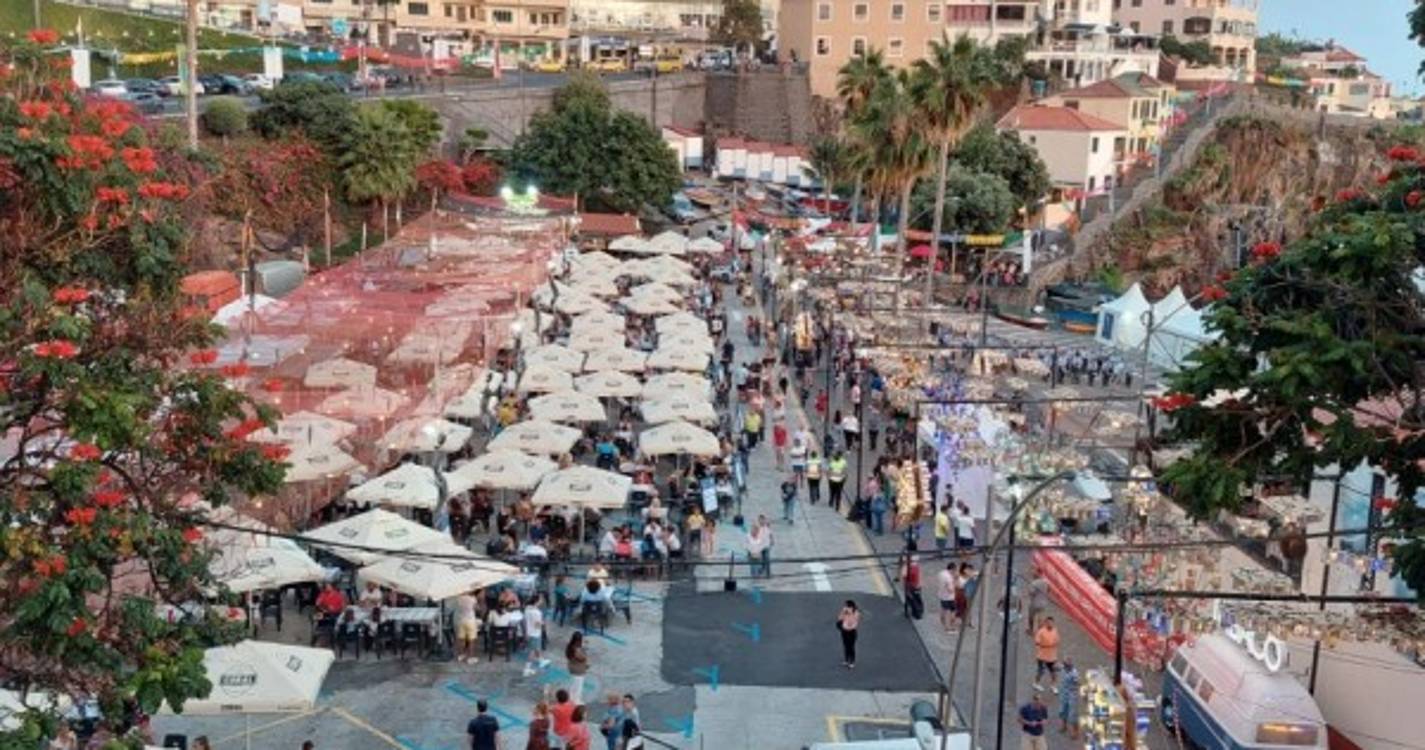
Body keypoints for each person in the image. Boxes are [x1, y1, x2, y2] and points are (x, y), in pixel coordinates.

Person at [1033, 617, 1061, 693]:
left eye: (1051, 622)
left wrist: (1054, 644)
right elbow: (1037, 642)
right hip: (1042, 656)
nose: (1050, 624)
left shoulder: (1055, 631)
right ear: (1045, 623)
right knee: (1041, 671)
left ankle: (1053, 686)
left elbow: (1057, 640)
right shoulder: (1041, 632)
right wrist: (1047, 645)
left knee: (1054, 672)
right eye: (1048, 623)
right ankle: (1036, 683)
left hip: (1052, 656)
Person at [523, 595, 548, 676]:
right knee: (532, 651)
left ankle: (541, 660)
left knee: (536, 648)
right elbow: (537, 624)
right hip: (535, 633)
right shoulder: (537, 612)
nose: (541, 601)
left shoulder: (527, 608)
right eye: (540, 600)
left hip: (529, 632)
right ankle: (527, 669)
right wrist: (543, 623)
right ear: (537, 601)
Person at [456, 588, 482, 664]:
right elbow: (477, 609)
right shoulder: (472, 599)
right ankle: (470, 658)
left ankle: (461, 655)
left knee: (461, 639)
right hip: (470, 621)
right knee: (471, 640)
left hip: (461, 620)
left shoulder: (459, 598)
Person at [1058, 658, 1080, 737]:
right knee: (1063, 710)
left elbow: (1077, 684)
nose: (1066, 667)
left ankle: (1075, 731)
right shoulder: (1063, 669)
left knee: (1073, 714)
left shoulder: (1074, 673)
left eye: (1067, 666)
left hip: (1072, 694)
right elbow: (1057, 667)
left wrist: (1075, 685)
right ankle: (1064, 726)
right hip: (1064, 693)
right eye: (1065, 665)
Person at [566, 632, 590, 704]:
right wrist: (585, 648)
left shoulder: (569, 646)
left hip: (573, 667)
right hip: (578, 670)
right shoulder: (577, 649)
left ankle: (571, 699)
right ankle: (576, 701)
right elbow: (583, 658)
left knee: (573, 685)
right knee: (578, 687)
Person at [836, 599, 860, 669]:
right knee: (846, 646)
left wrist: (850, 613)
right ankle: (846, 660)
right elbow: (839, 618)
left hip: (852, 632)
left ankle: (852, 662)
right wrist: (843, 612)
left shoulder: (856, 613)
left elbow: (854, 622)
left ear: (851, 607)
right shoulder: (844, 611)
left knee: (851, 647)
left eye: (846, 606)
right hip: (844, 631)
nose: (845, 607)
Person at [1026, 570, 1050, 636]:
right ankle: (1040, 632)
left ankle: (1031, 630)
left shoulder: (1034, 583)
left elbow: (1031, 593)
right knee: (1040, 618)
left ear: (1035, 576)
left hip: (1034, 603)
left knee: (1031, 617)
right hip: (1043, 603)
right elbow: (1049, 590)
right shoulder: (1045, 582)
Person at [936, 562, 958, 632]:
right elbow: (950, 590)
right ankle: (948, 627)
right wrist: (955, 580)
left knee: (944, 609)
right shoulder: (949, 578)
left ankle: (943, 621)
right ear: (952, 569)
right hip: (949, 597)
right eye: (955, 570)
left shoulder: (941, 573)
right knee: (950, 611)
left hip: (941, 595)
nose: (955, 572)